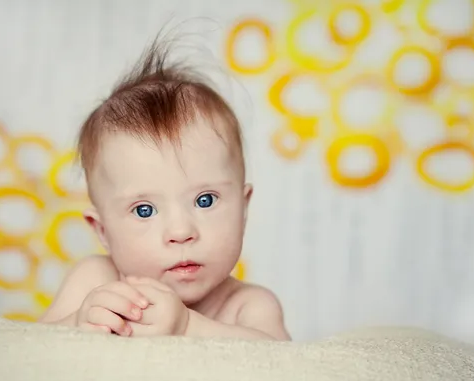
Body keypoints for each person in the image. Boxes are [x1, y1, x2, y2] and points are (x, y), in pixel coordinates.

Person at [38, 37, 290, 341]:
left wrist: (188, 326)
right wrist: (77, 322)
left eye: (205, 200)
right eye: (144, 210)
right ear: (102, 231)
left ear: (243, 207)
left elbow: (282, 363)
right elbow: (30, 345)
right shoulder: (95, 280)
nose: (181, 231)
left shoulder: (247, 306)